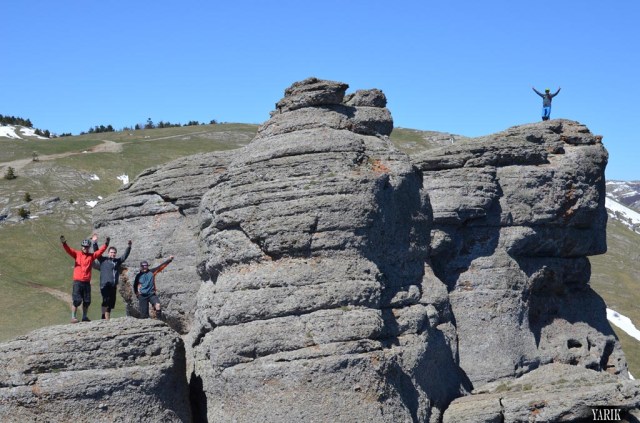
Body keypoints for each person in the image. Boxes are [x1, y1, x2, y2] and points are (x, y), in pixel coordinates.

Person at [61, 234, 109, 323]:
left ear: (89, 248)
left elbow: (99, 252)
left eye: (87, 247)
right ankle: (73, 317)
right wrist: (64, 243)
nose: (85, 248)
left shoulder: (91, 256)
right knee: (77, 300)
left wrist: (106, 244)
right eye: (84, 247)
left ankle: (84, 317)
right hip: (77, 282)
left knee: (87, 301)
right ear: (81, 247)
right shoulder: (77, 254)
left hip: (86, 282)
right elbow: (68, 250)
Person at [92, 236, 132, 320]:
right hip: (105, 284)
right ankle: (103, 316)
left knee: (110, 303)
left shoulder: (117, 261)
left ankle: (107, 318)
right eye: (111, 252)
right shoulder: (103, 260)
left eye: (114, 253)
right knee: (105, 300)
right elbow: (97, 252)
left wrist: (129, 247)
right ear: (108, 253)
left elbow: (124, 256)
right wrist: (95, 243)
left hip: (113, 286)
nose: (113, 254)